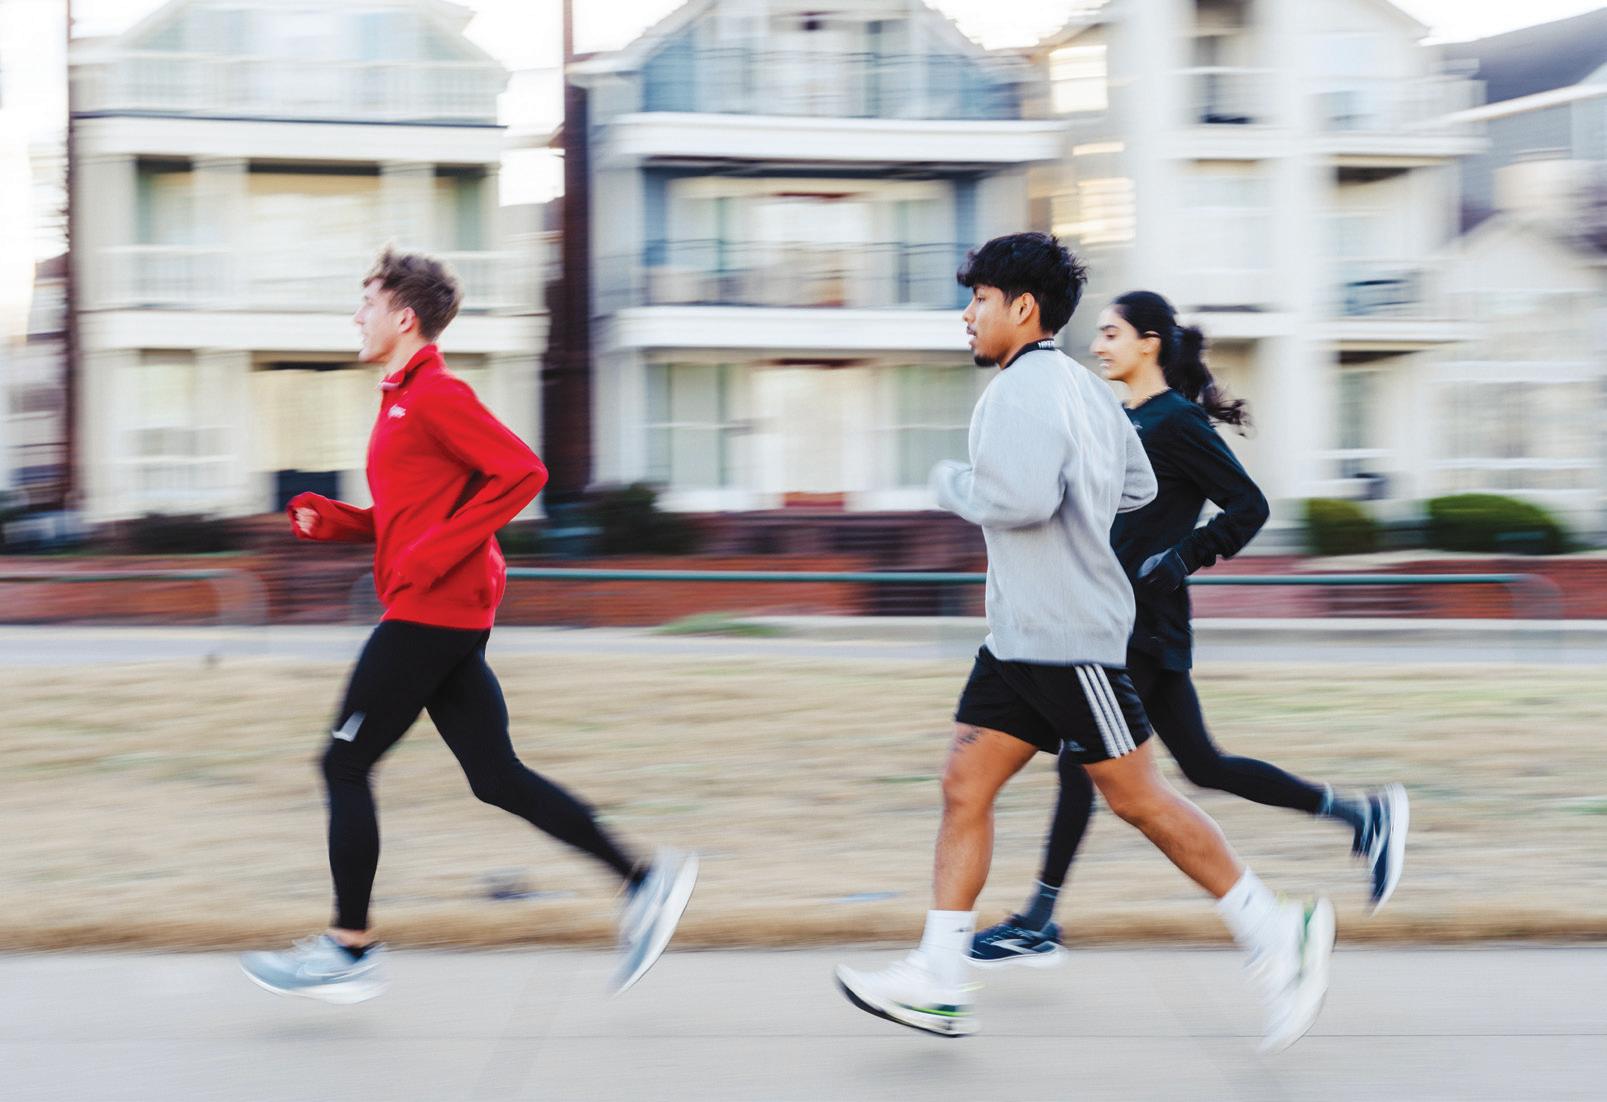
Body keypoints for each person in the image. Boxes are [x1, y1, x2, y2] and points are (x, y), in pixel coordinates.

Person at [834, 234, 1332, 1053]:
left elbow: (1021, 500)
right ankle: (939, 977)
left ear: (1022, 307)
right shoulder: (1080, 387)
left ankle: (1277, 928)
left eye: (979, 300)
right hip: (1019, 637)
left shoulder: (1019, 390)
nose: (967, 316)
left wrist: (953, 485)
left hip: (1066, 636)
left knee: (1138, 798)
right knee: (964, 785)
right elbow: (1136, 486)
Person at [240, 247, 696, 1003]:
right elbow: (415, 512)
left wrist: (436, 550)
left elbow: (523, 472)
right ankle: (643, 881)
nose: (356, 317)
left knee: (343, 763)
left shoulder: (436, 393)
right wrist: (344, 521)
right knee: (495, 776)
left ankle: (349, 949)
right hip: (441, 607)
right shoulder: (400, 398)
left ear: (403, 317)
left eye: (366, 304)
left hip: (431, 609)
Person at [970, 291, 1407, 970]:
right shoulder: (1122, 417)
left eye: (1111, 333)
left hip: (1139, 623)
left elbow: (1248, 505)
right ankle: (1360, 816)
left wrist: (1180, 559)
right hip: (1117, 617)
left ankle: (1037, 920)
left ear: (1148, 342)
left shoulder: (1175, 421)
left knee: (1083, 764)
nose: (1097, 345)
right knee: (1201, 763)